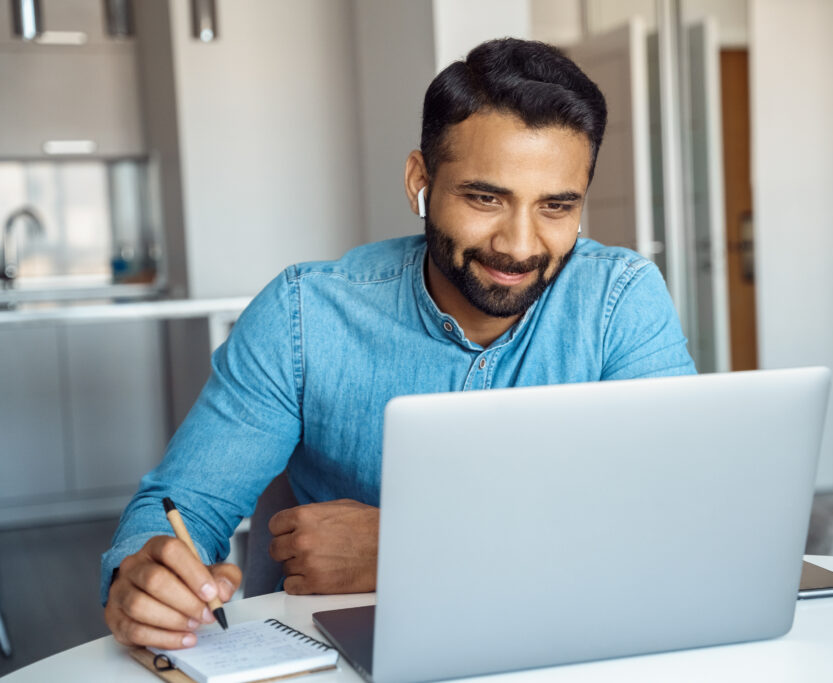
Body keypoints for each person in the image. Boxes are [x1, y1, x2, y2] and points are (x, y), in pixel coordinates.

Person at [101, 38, 696, 650]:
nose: (519, 245)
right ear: (420, 179)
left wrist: (412, 546)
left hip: (564, 640)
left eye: (556, 206)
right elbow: (185, 505)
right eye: (485, 198)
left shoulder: (620, 299)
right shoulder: (305, 314)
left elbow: (677, 518)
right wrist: (141, 577)